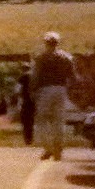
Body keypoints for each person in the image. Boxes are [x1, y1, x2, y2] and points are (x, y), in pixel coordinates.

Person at [31, 32, 75, 161]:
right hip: (61, 89)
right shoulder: (67, 57)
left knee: (42, 120)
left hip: (45, 90)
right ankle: (58, 150)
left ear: (46, 43)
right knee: (59, 120)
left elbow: (35, 76)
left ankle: (48, 148)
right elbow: (72, 76)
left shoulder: (40, 58)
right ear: (57, 43)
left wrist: (32, 90)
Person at [17, 66, 36, 146]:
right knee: (31, 121)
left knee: (25, 121)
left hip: (25, 100)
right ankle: (30, 139)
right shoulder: (34, 76)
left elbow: (17, 89)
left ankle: (27, 140)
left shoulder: (23, 77)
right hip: (34, 100)